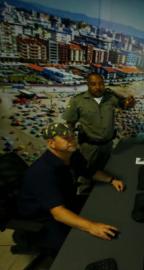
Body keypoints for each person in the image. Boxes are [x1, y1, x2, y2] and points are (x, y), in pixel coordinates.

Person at [18, 123, 125, 253]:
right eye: (66, 138)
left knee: (105, 208)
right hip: (43, 217)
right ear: (51, 143)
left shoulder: (72, 155)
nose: (72, 140)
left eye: (72, 136)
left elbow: (89, 171)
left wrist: (112, 180)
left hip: (66, 201)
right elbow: (58, 213)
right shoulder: (42, 172)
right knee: (79, 246)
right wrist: (92, 227)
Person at [63, 73, 135, 172]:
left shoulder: (110, 98)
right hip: (89, 148)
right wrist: (72, 142)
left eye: (101, 84)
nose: (98, 87)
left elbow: (124, 106)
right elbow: (70, 123)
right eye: (93, 84)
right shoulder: (77, 101)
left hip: (108, 146)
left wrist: (130, 103)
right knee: (86, 173)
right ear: (88, 85)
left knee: (107, 170)